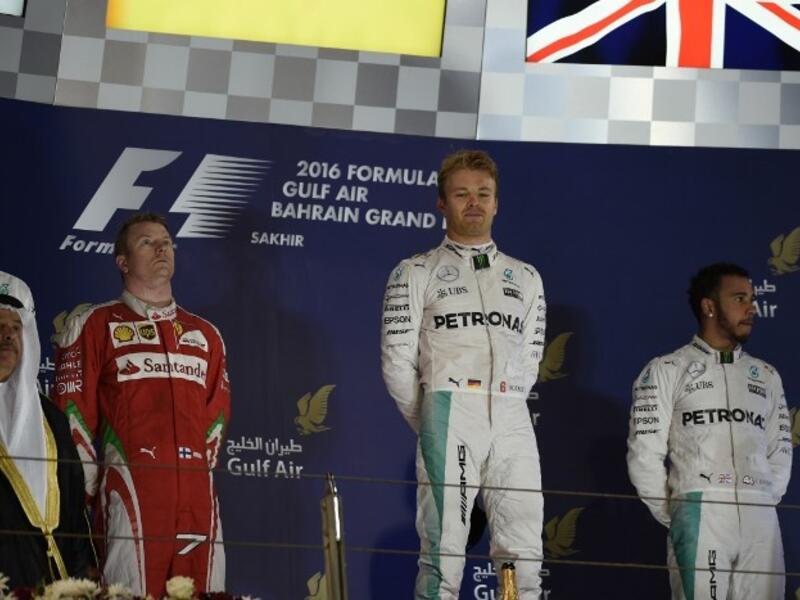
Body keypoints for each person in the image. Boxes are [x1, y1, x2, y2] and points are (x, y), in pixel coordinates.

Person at [381, 150, 547, 599]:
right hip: (448, 408)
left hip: (512, 413)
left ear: (496, 203)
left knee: (523, 550)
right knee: (444, 551)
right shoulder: (416, 271)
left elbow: (529, 361)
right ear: (442, 203)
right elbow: (397, 363)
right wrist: (434, 422)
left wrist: (502, 403)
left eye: (483, 194)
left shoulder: (526, 277)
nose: (473, 203)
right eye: (461, 194)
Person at [53, 213, 231, 596]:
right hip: (130, 494)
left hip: (199, 499)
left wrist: (194, 473)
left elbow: (215, 421)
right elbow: (72, 420)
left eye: (166, 241)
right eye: (146, 242)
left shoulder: (207, 335)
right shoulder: (93, 324)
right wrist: (84, 506)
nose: (161, 248)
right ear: (123, 261)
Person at [627, 263, 792, 600]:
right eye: (740, 298)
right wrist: (679, 510)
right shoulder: (667, 369)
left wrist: (759, 497)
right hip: (699, 510)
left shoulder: (767, 375)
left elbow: (781, 452)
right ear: (709, 306)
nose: (751, 309)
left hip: (761, 514)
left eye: (753, 299)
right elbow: (644, 454)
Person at [0, 272, 94, 587]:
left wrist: (82, 588)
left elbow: (75, 524)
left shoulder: (51, 419)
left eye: (16, 328)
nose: (8, 336)